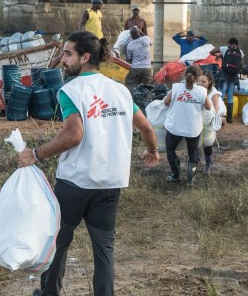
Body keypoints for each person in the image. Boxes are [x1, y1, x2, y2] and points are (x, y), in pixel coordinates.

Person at [18, 31, 160, 296]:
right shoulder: (120, 91)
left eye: (67, 53)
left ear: (85, 58)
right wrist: (152, 150)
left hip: (76, 183)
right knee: (104, 250)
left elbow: (74, 134)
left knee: (58, 244)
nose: (62, 59)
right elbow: (146, 127)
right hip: (110, 183)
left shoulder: (70, 90)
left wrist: (35, 154)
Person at [163, 65, 212, 184]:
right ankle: (191, 179)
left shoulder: (176, 88)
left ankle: (175, 175)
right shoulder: (201, 91)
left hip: (175, 126)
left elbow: (165, 102)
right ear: (197, 77)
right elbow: (209, 107)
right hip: (193, 128)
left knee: (170, 149)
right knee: (192, 153)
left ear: (185, 75)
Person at [209, 37, 244, 123]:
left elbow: (211, 52)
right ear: (237, 44)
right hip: (233, 76)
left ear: (228, 43)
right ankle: (230, 118)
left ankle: (219, 115)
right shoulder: (240, 52)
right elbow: (242, 65)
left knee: (221, 93)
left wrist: (218, 55)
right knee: (230, 95)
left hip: (224, 75)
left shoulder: (224, 49)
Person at [197, 70, 225, 174]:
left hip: (208, 120)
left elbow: (215, 110)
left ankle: (209, 164)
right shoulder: (196, 89)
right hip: (196, 119)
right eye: (199, 81)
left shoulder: (213, 92)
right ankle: (197, 160)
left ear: (209, 82)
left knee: (207, 143)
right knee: (196, 141)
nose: (200, 83)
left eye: (203, 82)